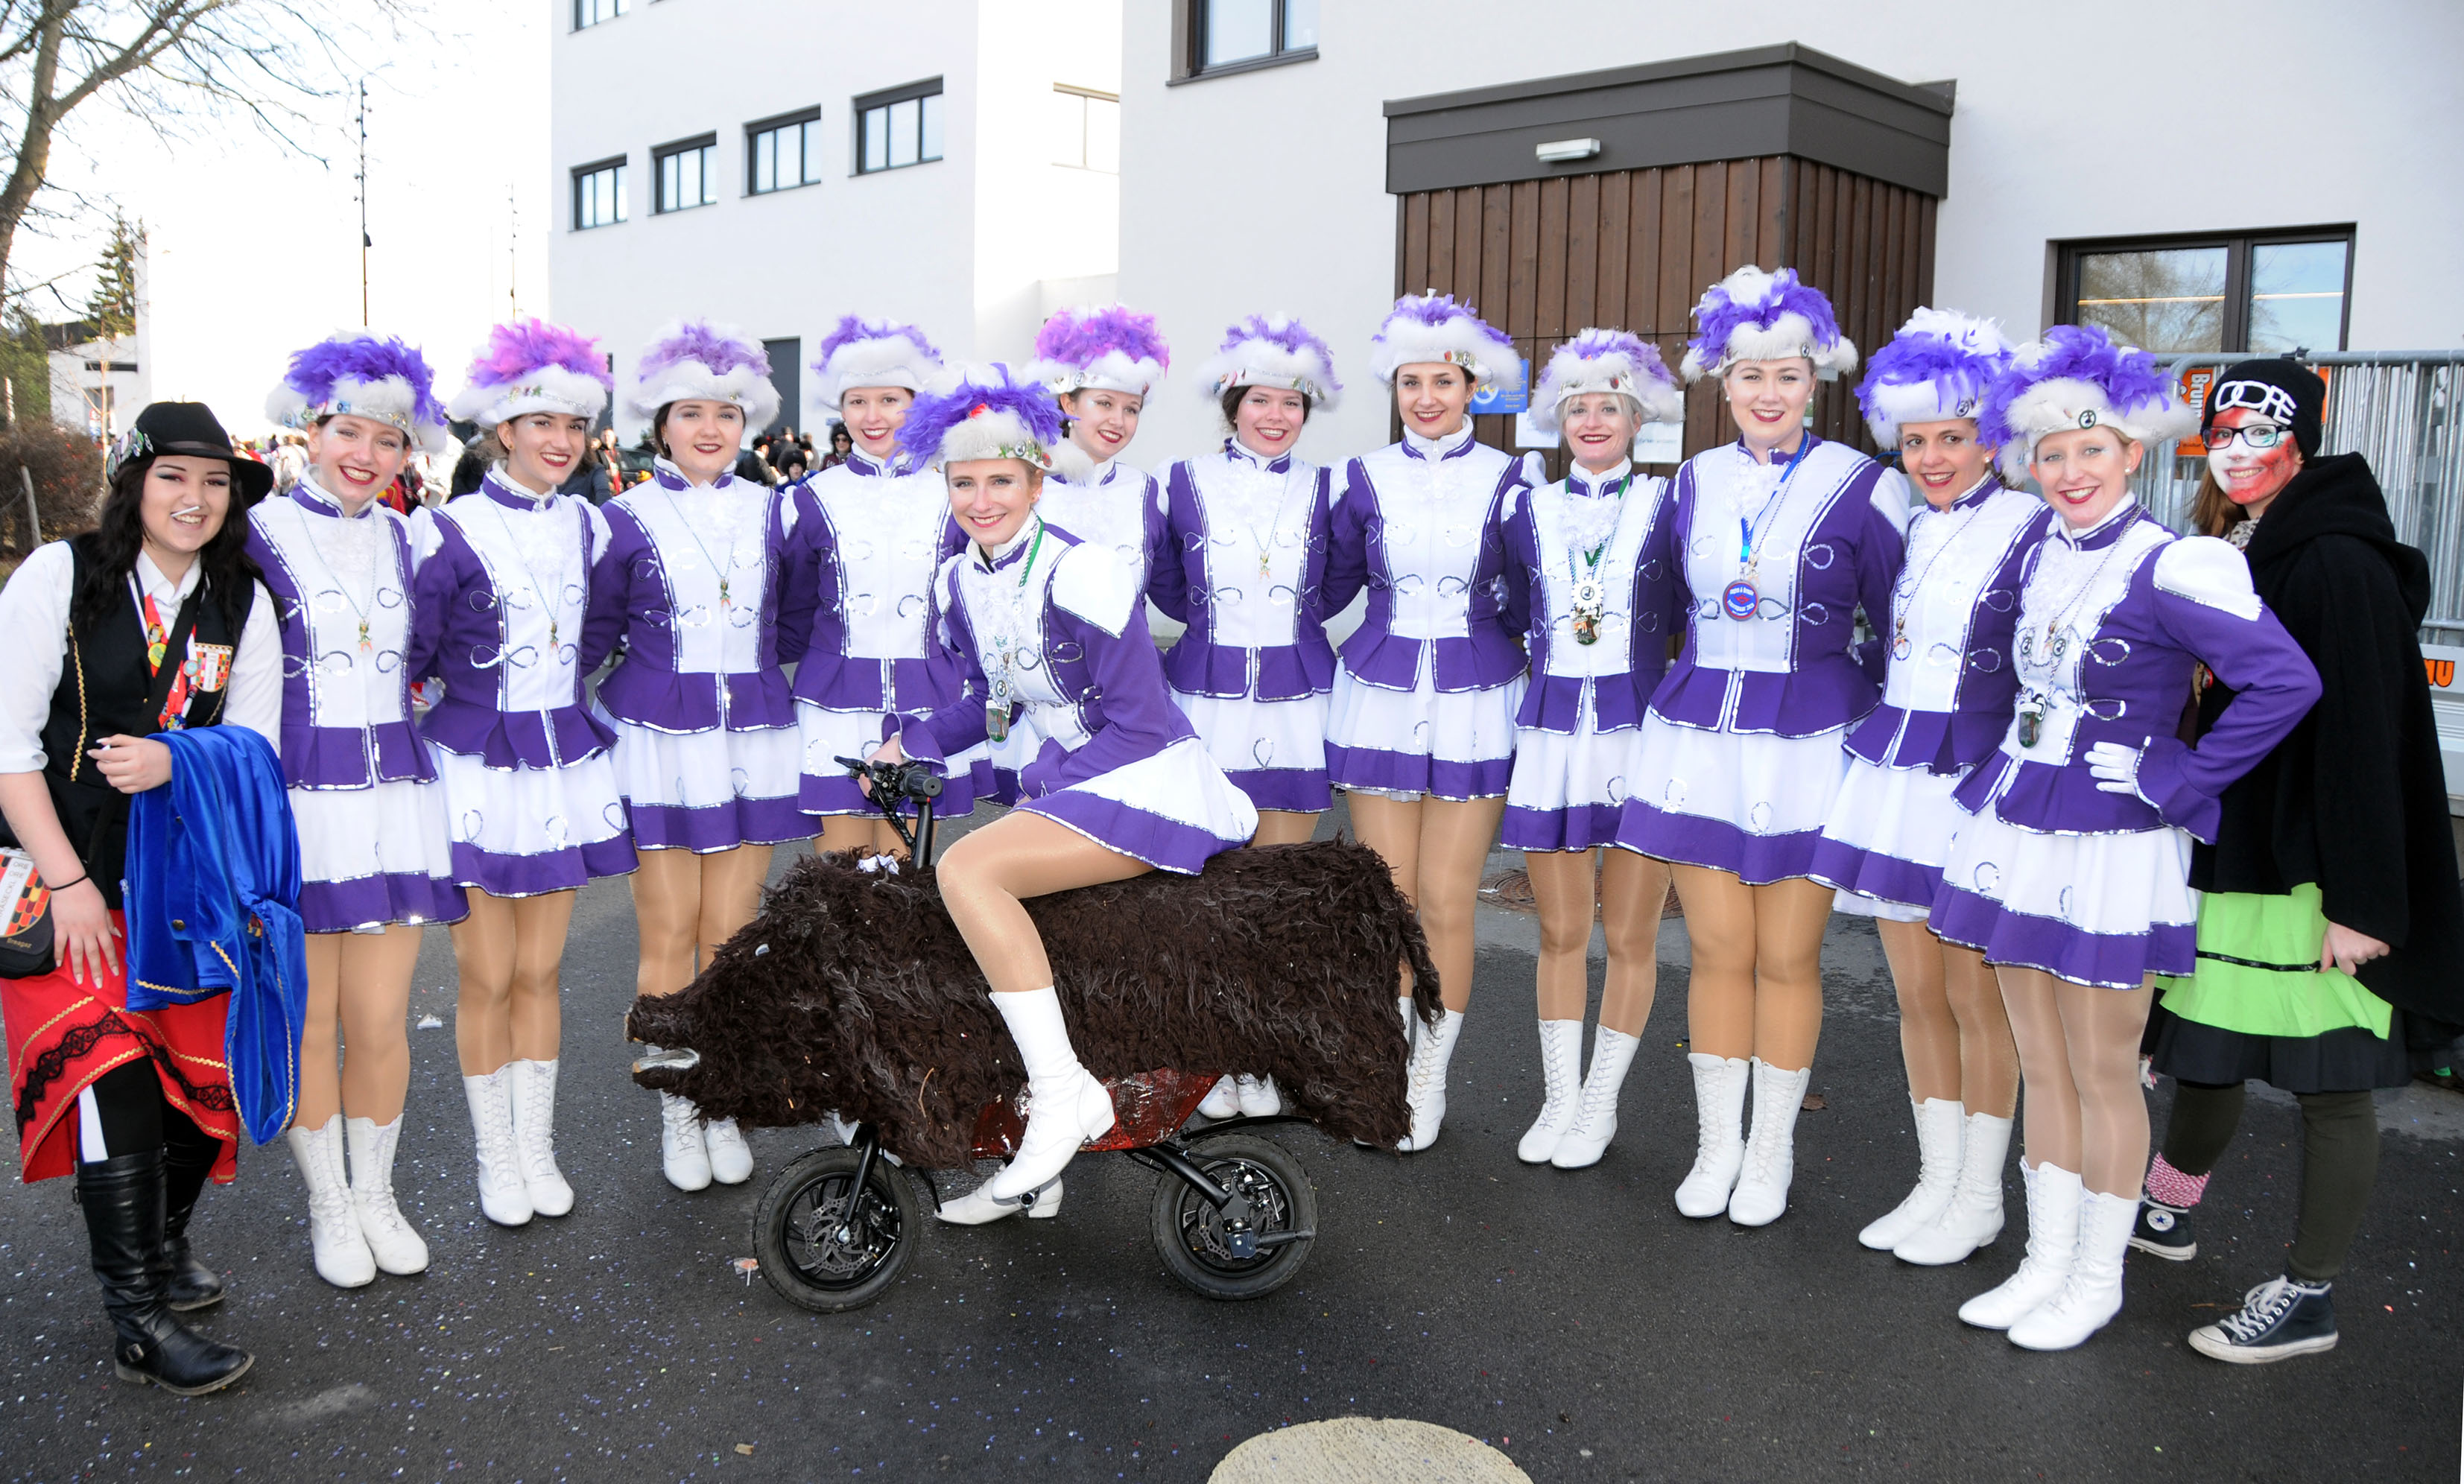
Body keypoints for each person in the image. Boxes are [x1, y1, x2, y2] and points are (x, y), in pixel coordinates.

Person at [1935, 326, 2319, 1351]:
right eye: (2052, 453)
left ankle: (2095, 1277)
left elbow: (2284, 682)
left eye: (2091, 449)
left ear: (2132, 452)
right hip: (2021, 824)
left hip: (2112, 839)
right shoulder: (2038, 550)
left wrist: (2179, 775)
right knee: (2040, 1059)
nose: (2070, 471)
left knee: (2102, 1068)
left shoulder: (2176, 561)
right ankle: (2043, 1261)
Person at [868, 363, 1256, 1219]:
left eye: (1000, 481)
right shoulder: (961, 580)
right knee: (995, 922)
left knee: (968, 872)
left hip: (1148, 783)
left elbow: (1143, 725)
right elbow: (989, 700)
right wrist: (907, 745)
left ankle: (1062, 1094)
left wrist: (1041, 788)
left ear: (1037, 482)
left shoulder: (1085, 572)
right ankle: (1034, 1164)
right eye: (963, 483)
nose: (981, 501)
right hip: (1080, 784)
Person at [2132, 360, 2464, 1362]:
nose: (2234, 452)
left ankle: (2309, 1294)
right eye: (2219, 434)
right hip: (2240, 857)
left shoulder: (2337, 562)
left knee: (2331, 1083)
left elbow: (2367, 738)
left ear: (2301, 441)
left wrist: (2362, 903)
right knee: (2205, 1051)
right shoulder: (2238, 542)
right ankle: (2165, 1210)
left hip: (2315, 877)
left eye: (2258, 432)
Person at [0, 400, 279, 1394]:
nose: (194, 498)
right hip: (56, 878)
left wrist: (177, 759)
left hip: (178, 884)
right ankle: (139, 1319)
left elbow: (257, 749)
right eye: (173, 476)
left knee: (199, 1088)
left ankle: (161, 1244)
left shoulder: (242, 600)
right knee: (111, 1078)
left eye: (215, 482)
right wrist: (69, 883)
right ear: (133, 483)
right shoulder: (60, 575)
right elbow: (7, 748)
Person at [1617, 267, 1900, 1227]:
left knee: (1785, 955)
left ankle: (1770, 1151)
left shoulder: (1864, 483)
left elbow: (1895, 625)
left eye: (1786, 375)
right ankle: (1716, 1147)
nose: (1767, 394)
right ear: (1723, 384)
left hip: (1809, 741)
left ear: (1813, 381)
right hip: (1698, 739)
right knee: (1716, 949)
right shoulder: (1693, 480)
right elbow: (1657, 605)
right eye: (1749, 377)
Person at [1809, 309, 2042, 1264]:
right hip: (1898, 778)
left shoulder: (2032, 527)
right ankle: (1936, 1180)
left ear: (1993, 438)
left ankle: (1979, 1196)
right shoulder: (1910, 524)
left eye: (1952, 437)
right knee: (1915, 998)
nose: (1933, 458)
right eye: (1915, 441)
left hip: (1974, 783)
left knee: (1975, 1000)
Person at [253, 333, 466, 1288]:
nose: (367, 455)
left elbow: (444, 653)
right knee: (309, 1021)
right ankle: (328, 1205)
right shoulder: (254, 535)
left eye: (388, 440)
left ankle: (376, 1195)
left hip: (394, 800)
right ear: (310, 430)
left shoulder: (416, 537)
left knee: (382, 1019)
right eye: (350, 432)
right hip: (297, 799)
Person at [414, 319, 634, 1228]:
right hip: (476, 768)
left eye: (574, 426)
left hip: (561, 764)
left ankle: (537, 1148)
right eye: (541, 423)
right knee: (486, 976)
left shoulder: (590, 525)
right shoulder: (444, 529)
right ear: (502, 430)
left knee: (542, 972)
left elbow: (599, 633)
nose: (560, 441)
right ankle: (494, 1157)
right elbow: (414, 654)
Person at [586, 322, 805, 1193]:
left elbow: (794, 622)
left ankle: (722, 1101)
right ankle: (678, 1111)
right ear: (660, 425)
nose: (709, 429)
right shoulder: (624, 518)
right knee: (669, 930)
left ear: (747, 422)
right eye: (690, 413)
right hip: (659, 743)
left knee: (732, 935)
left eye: (725, 413)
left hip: (751, 735)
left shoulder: (777, 511)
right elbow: (594, 634)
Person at [1323, 293, 1535, 1152]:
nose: (1425, 398)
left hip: (1477, 698)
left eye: (1441, 382)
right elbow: (1325, 585)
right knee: (1388, 899)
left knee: (1447, 899)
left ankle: (1429, 1075)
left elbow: (1530, 595)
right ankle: (1381, 1066)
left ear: (1472, 388)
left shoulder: (1515, 480)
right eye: (1410, 383)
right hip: (1379, 694)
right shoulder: (1359, 477)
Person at [1153, 313, 1344, 1121]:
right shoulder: (1180, 481)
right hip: (1205, 698)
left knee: (1277, 888)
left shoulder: (1329, 488)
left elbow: (1340, 580)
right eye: (1259, 400)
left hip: (1298, 697)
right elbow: (1165, 582)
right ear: (1232, 405)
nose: (1275, 415)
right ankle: (1209, 1051)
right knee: (1207, 883)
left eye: (1290, 402)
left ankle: (1259, 1052)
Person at [1502, 330, 1685, 1168]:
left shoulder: (1671, 505)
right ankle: (1559, 1098)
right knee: (1559, 930)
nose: (1592, 420)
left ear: (1638, 419)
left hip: (1640, 729)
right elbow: (1509, 608)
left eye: (1609, 406)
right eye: (1577, 407)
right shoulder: (1526, 508)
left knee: (1632, 936)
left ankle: (1600, 1104)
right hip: (1551, 731)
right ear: (1558, 420)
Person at [784, 314, 981, 854]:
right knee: (839, 876)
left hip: (928, 701)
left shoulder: (954, 490)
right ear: (840, 407)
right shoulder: (811, 497)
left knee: (903, 874)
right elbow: (795, 606)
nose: (872, 417)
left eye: (890, 400)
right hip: (833, 703)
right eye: (858, 402)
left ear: (916, 403)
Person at [1028, 304, 1170, 590]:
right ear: (1069, 404)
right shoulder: (1029, 481)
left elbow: (1172, 588)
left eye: (1131, 410)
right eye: (1105, 403)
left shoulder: (1147, 491)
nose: (1118, 421)